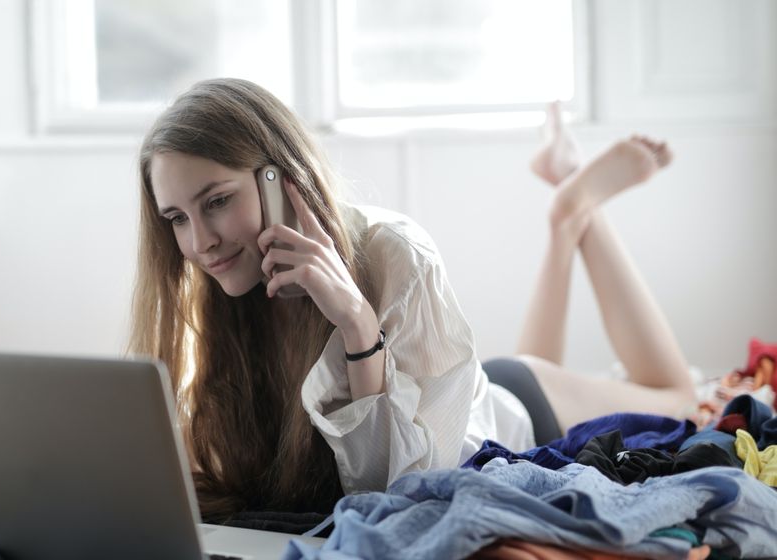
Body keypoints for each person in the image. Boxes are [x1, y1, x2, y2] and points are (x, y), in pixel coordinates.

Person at [127, 79, 697, 522]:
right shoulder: (224, 289)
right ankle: (565, 211)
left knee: (678, 395)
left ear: (280, 180)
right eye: (177, 217)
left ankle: (572, 212)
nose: (200, 243)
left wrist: (355, 322)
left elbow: (407, 490)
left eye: (217, 201)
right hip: (463, 391)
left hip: (508, 413)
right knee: (526, 361)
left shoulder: (396, 253)